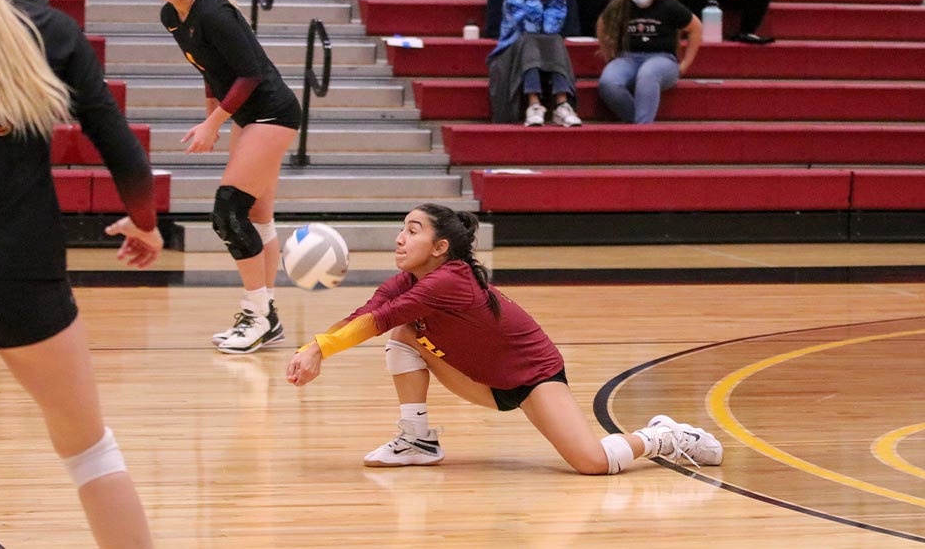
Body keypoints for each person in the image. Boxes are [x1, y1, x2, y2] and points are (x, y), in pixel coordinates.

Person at [0, 0, 162, 547]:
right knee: (89, 451)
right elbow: (116, 141)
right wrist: (145, 224)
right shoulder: (47, 31)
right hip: (20, 266)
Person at [287, 203, 724, 474]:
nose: (401, 238)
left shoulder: (449, 281)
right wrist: (314, 347)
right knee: (405, 334)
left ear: (441, 247)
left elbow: (382, 318)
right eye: (403, 227)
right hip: (482, 381)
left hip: (534, 377)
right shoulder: (409, 280)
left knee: (592, 462)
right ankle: (417, 440)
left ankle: (665, 436)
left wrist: (320, 350)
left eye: (413, 229)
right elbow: (371, 313)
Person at [153, 0, 303, 354]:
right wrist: (210, 118)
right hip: (247, 116)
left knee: (228, 212)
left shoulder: (213, 12)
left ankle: (258, 315)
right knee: (257, 216)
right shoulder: (171, 16)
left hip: (272, 111)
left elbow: (250, 72)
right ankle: (264, 313)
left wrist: (214, 123)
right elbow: (210, 70)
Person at [596, 0, 702, 124]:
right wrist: (608, 53)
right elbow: (602, 23)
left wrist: (686, 63)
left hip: (662, 58)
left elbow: (696, 28)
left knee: (648, 74)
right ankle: (640, 125)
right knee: (608, 82)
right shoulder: (621, 5)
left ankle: (641, 133)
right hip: (628, 57)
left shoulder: (668, 5)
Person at [487, 0, 582, 127]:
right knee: (530, 39)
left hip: (542, 48)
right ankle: (534, 104)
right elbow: (530, 26)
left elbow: (550, 29)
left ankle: (562, 104)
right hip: (511, 51)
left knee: (555, 39)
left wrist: (559, 0)